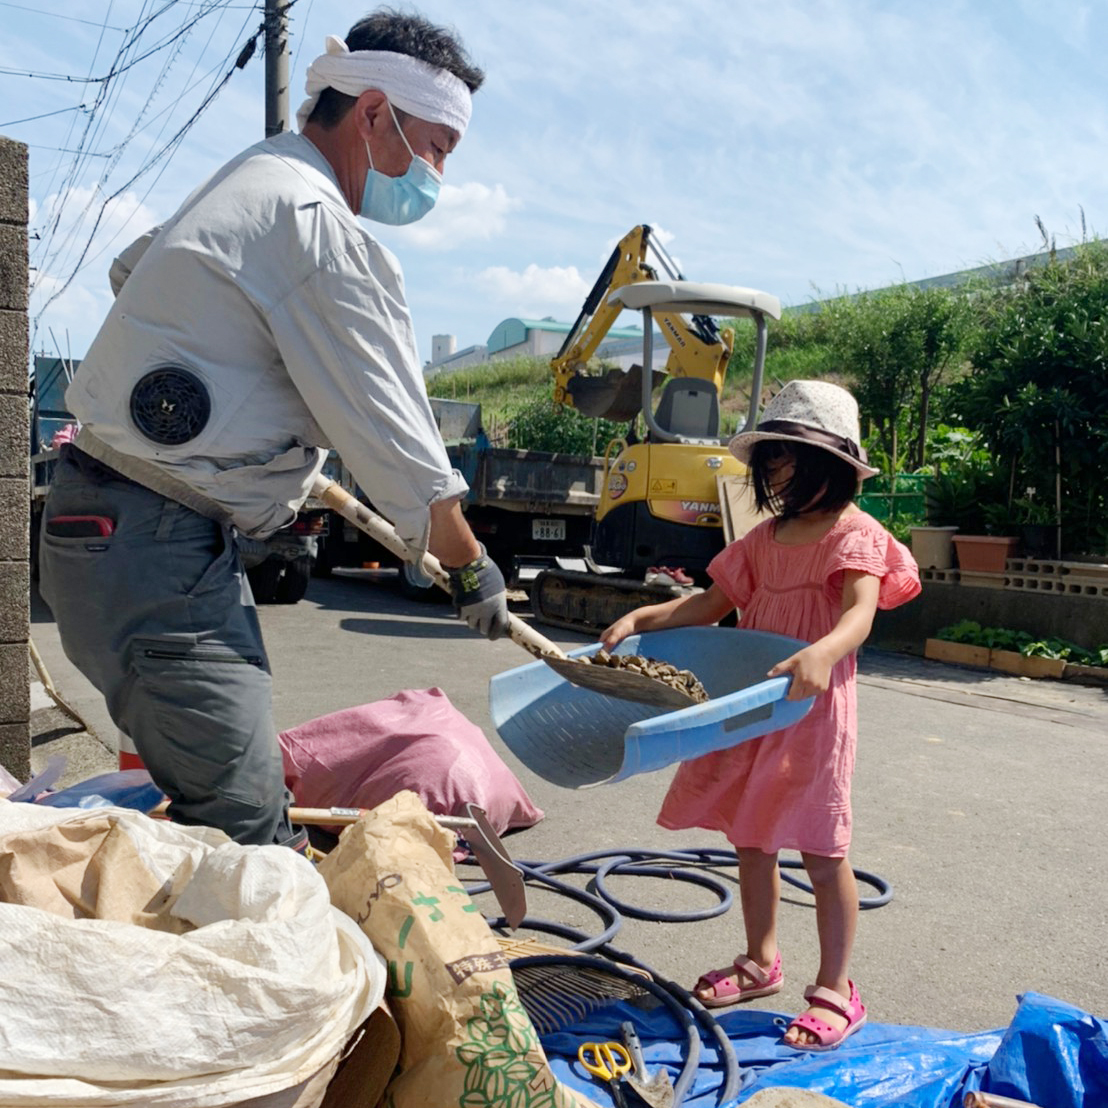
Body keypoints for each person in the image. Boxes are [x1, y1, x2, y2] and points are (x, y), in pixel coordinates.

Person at [38, 9, 509, 850]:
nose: (437, 175)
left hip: (112, 518)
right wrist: (470, 566)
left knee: (200, 794)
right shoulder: (315, 222)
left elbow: (131, 272)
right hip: (156, 542)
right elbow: (392, 422)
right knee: (247, 828)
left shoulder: (255, 175)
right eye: (435, 148)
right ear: (374, 114)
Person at [601, 380, 921, 1050]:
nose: (773, 472)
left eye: (785, 458)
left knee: (823, 852)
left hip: (812, 711)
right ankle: (760, 960)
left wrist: (821, 653)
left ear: (827, 463)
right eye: (770, 459)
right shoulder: (763, 539)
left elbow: (859, 616)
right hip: (752, 707)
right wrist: (644, 615)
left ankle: (837, 988)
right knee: (751, 838)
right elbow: (707, 605)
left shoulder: (855, 535)